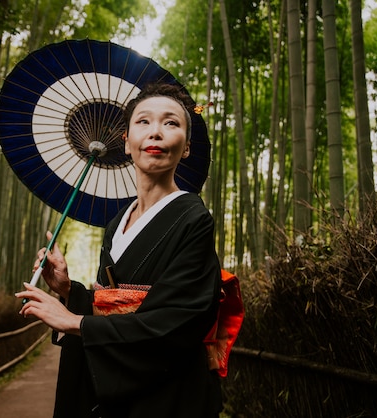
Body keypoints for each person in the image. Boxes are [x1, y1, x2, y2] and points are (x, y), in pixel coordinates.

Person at [16, 82, 223, 418]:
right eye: (143, 122)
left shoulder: (193, 218)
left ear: (185, 147)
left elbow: (178, 321)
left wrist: (76, 323)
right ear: (126, 143)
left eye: (171, 123)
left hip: (169, 394)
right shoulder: (116, 224)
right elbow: (110, 299)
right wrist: (71, 291)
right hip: (116, 392)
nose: (155, 132)